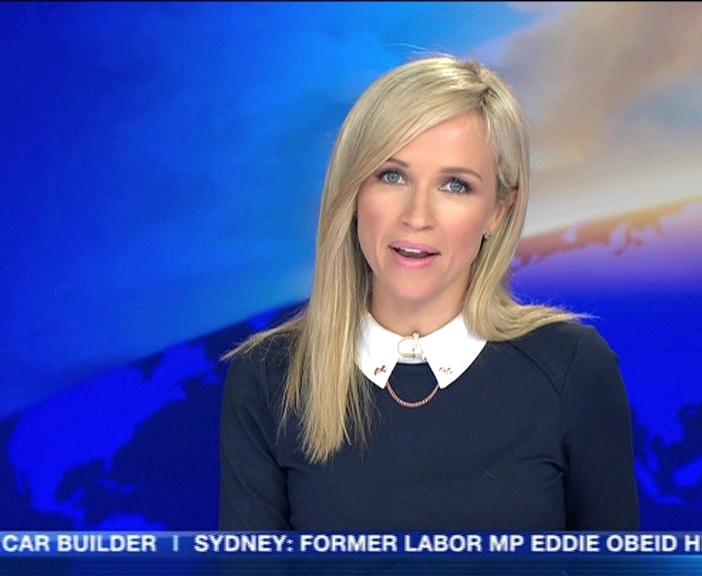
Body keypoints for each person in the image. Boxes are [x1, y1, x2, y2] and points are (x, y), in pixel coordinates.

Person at [219, 54, 640, 531]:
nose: (417, 216)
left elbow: (614, 561)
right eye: (392, 176)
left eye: (455, 185)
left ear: (498, 211)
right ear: (354, 192)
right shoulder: (270, 378)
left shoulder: (570, 368)